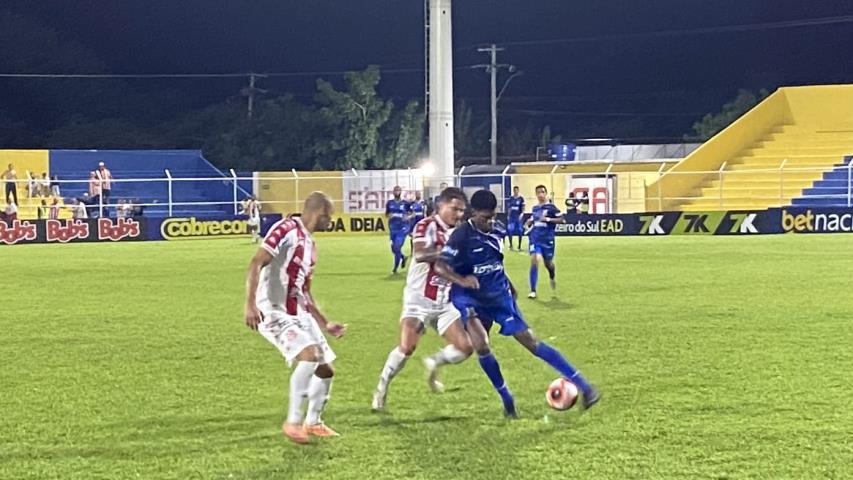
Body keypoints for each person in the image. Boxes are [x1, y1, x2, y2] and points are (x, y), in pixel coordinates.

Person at [440, 190, 601, 416]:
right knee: (482, 345)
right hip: (470, 298)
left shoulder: (498, 230)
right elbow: (440, 266)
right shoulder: (460, 236)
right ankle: (507, 399)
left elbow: (494, 261)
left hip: (498, 295)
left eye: (493, 216)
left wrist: (510, 284)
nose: (491, 222)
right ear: (473, 213)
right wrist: (462, 280)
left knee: (531, 341)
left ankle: (586, 388)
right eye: (486, 218)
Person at [244, 192, 346, 445]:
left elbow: (304, 291)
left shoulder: (311, 245)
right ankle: (292, 422)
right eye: (329, 216)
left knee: (326, 369)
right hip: (272, 309)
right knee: (309, 356)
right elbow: (256, 263)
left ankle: (314, 422)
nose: (330, 221)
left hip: (298, 312)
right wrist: (249, 304)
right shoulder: (286, 228)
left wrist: (325, 323)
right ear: (320, 212)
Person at [372, 187, 478, 411]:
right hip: (418, 299)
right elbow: (420, 254)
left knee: (466, 347)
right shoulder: (425, 225)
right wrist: (449, 252)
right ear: (441, 206)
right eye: (454, 209)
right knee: (407, 348)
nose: (459, 215)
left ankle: (434, 363)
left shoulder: (459, 233)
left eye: (462, 211)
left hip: (444, 302)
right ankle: (381, 389)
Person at [525, 185, 565, 299]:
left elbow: (562, 220)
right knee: (534, 260)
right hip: (535, 238)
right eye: (538, 192)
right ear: (536, 194)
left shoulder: (551, 208)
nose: (541, 194)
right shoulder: (535, 209)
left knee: (548, 264)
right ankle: (533, 290)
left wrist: (548, 219)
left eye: (543, 192)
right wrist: (530, 221)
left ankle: (552, 276)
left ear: (546, 194)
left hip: (547, 240)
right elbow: (534, 219)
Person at [385, 186, 411, 274]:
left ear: (401, 192)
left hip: (403, 227)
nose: (397, 192)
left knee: (397, 246)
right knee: (393, 248)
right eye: (395, 190)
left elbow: (413, 214)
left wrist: (407, 217)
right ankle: (403, 257)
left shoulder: (405, 203)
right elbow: (387, 214)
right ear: (393, 192)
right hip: (393, 227)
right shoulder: (389, 203)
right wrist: (389, 216)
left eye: (398, 190)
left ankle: (395, 269)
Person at [506, 186, 525, 252]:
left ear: (518, 190)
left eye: (517, 190)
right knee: (510, 230)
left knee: (520, 231)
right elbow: (509, 208)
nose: (516, 191)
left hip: (518, 217)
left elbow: (523, 207)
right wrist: (508, 216)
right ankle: (511, 245)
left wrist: (522, 214)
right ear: (513, 191)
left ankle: (519, 246)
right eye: (514, 190)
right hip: (512, 217)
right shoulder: (511, 198)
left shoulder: (521, 198)